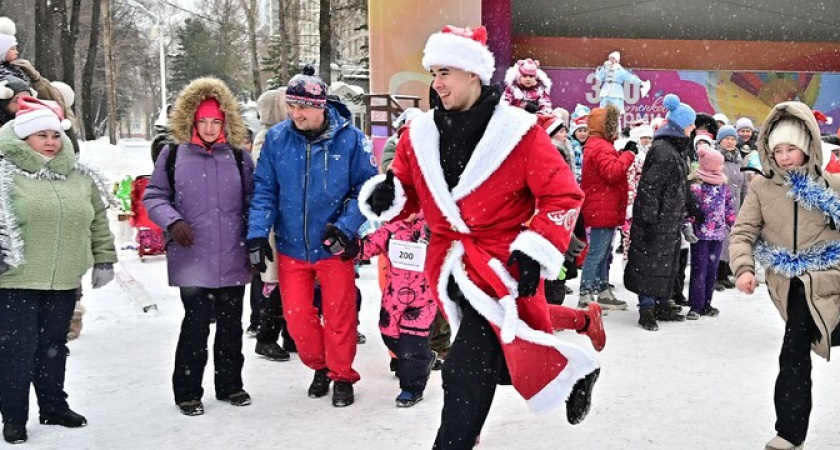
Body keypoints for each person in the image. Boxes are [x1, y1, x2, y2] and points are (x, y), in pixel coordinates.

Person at [359, 25, 600, 448]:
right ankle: (575, 372)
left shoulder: (519, 133)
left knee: (463, 369)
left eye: (445, 72)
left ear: (474, 73)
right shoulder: (420, 134)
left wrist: (535, 248)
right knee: (499, 361)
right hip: (447, 262)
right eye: (433, 73)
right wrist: (388, 194)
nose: (436, 84)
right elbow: (409, 188)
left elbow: (562, 194)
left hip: (498, 263)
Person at [247, 66, 377, 408]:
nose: (295, 113)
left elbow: (366, 188)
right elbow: (264, 190)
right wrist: (258, 235)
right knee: (297, 317)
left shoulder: (351, 140)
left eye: (302, 106)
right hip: (291, 247)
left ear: (321, 106)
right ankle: (320, 367)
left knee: (339, 315)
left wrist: (347, 227)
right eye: (291, 105)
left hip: (333, 245)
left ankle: (342, 376)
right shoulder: (277, 139)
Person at [0, 96, 116, 444]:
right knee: (17, 350)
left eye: (55, 135)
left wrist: (104, 258)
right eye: (41, 136)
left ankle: (53, 406)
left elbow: (97, 221)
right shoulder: (5, 172)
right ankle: (14, 417)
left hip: (64, 278)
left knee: (53, 347)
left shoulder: (78, 177)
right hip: (15, 279)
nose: (50, 142)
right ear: (23, 139)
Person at [729, 101, 840, 450]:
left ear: (807, 147)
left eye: (791, 148)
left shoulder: (832, 186)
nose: (784, 156)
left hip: (833, 278)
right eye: (777, 149)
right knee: (793, 353)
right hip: (795, 285)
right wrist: (744, 268)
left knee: (795, 351)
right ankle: (789, 433)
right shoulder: (762, 189)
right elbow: (743, 233)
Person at [143, 77, 254, 416]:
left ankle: (230, 385)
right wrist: (172, 221)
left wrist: (256, 235)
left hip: (233, 255)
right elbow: (155, 196)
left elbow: (253, 199)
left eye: (215, 121)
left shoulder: (238, 158)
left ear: (226, 122)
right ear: (191, 120)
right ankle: (188, 391)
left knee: (231, 326)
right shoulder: (173, 155)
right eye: (203, 120)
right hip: (192, 258)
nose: (208, 127)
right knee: (195, 325)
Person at [624, 94, 696, 331]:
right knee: (650, 263)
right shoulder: (664, 151)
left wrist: (691, 205)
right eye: (690, 123)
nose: (694, 128)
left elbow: (679, 185)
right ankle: (646, 309)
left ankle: (662, 304)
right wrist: (649, 219)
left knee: (666, 263)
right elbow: (650, 188)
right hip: (657, 221)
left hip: (669, 218)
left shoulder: (674, 150)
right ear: (680, 125)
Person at [355, 212, 437, 407]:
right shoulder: (391, 228)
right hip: (393, 298)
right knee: (390, 337)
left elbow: (449, 245)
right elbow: (367, 248)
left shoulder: (432, 225)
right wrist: (346, 244)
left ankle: (412, 387)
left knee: (414, 344)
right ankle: (423, 359)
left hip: (423, 298)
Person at [578, 104, 636, 310]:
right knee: (597, 252)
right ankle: (585, 294)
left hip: (604, 205)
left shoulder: (598, 144)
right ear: (606, 126)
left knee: (603, 252)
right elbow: (612, 172)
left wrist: (620, 152)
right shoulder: (600, 146)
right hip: (602, 206)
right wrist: (628, 155)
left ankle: (602, 290)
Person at [686, 139, 735, 320]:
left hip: (718, 234)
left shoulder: (722, 185)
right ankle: (695, 306)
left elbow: (728, 207)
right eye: (718, 164)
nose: (721, 167)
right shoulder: (697, 186)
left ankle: (707, 303)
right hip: (701, 235)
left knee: (711, 270)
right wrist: (689, 226)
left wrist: (734, 225)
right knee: (699, 270)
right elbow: (691, 210)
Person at [715, 125, 743, 290]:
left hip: (735, 205)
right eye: (727, 138)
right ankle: (717, 274)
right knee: (721, 237)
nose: (730, 142)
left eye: (733, 139)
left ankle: (725, 272)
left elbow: (743, 184)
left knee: (731, 238)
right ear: (720, 140)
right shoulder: (716, 158)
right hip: (719, 205)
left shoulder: (738, 160)